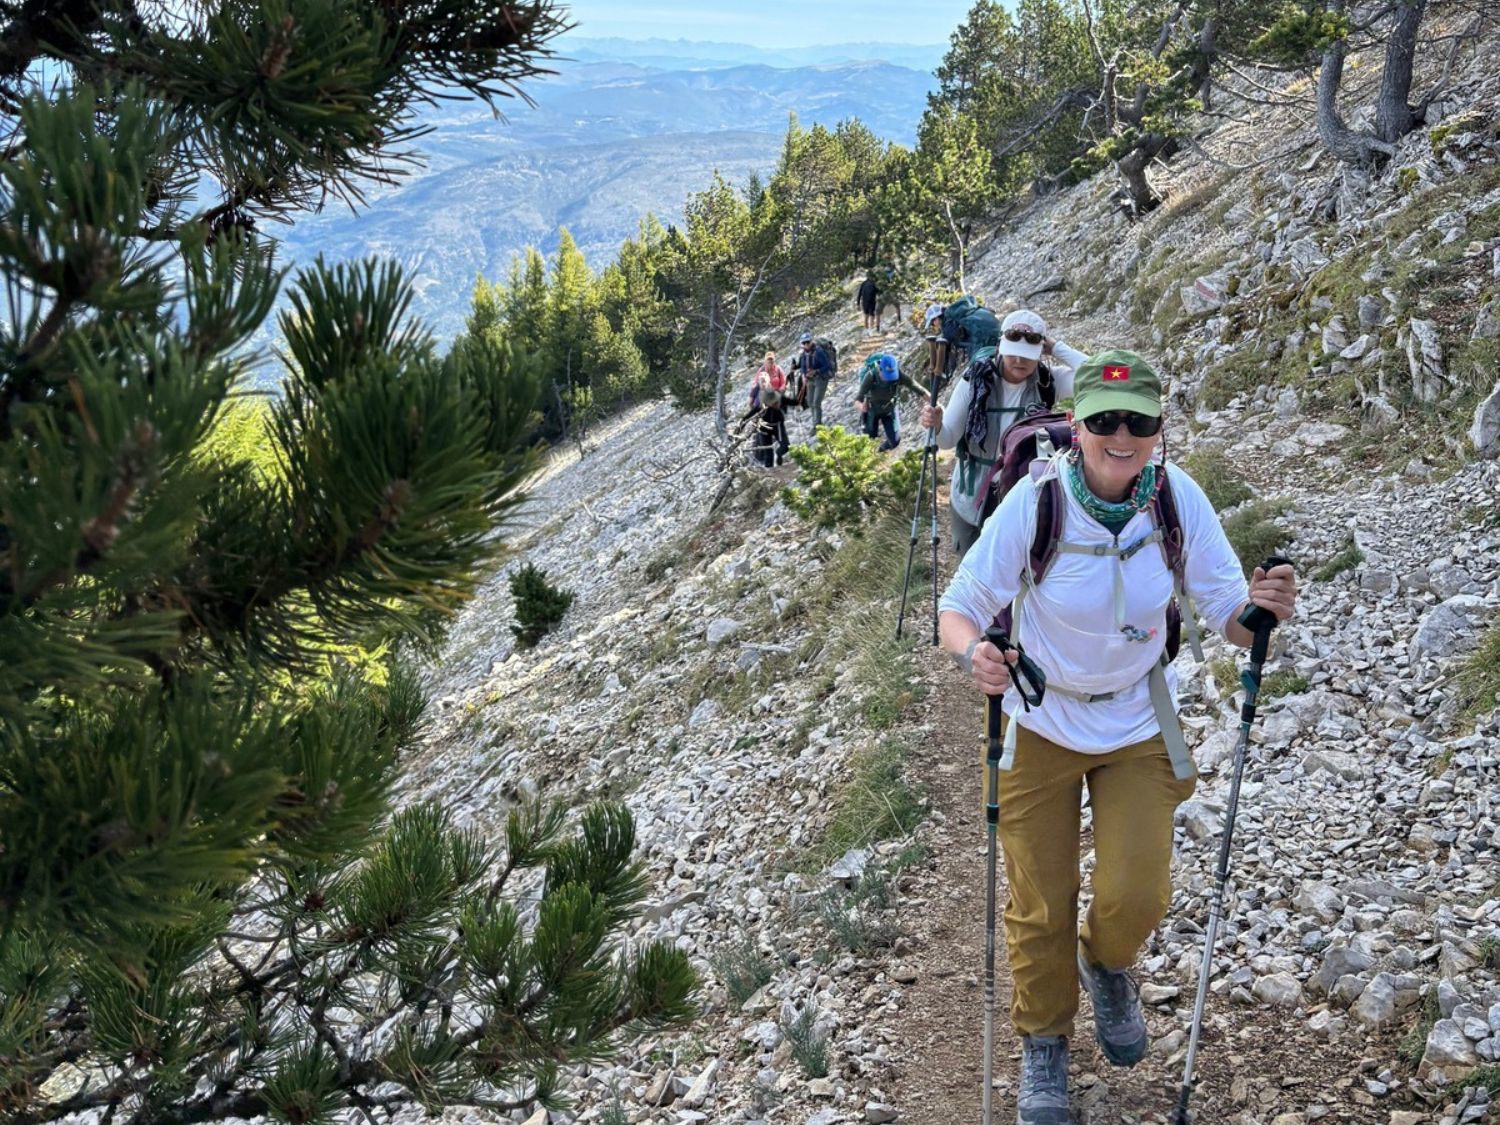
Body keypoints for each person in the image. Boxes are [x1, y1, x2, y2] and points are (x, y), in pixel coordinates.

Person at [936, 349, 1298, 1125]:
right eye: (1105, 420)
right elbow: (958, 607)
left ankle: (1106, 962)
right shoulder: (1034, 504)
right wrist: (976, 655)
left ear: (1159, 430)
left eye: (1140, 421)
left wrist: (1263, 609)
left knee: (1137, 891)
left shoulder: (1176, 500)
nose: (1122, 434)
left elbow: (1231, 616)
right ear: (1077, 426)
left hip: (1136, 716)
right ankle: (1044, 1042)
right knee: (1040, 898)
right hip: (1040, 717)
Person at [920, 309, 1088, 560]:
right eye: (1012, 353)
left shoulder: (1047, 382)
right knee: (973, 570)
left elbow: (1110, 376)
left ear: (1040, 352)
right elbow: (946, 440)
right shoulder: (974, 381)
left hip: (1023, 496)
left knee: (1018, 573)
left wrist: (1057, 348)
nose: (1019, 361)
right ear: (1000, 347)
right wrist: (937, 424)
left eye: (1028, 355)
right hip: (972, 498)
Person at [854, 352, 925, 451]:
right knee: (869, 440)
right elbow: (857, 400)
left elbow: (918, 389)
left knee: (895, 441)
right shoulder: (871, 376)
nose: (889, 379)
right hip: (872, 410)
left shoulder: (898, 375)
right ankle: (871, 458)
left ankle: (880, 451)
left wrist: (936, 403)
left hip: (889, 410)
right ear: (880, 369)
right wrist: (862, 407)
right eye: (886, 375)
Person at [793, 332, 834, 431]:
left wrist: (816, 371)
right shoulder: (803, 355)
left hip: (821, 379)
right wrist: (803, 375)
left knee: (816, 402)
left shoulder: (819, 352)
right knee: (810, 402)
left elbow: (827, 365)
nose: (806, 344)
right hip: (809, 380)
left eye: (808, 342)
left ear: (811, 341)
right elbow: (802, 367)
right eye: (804, 343)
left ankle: (817, 425)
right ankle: (815, 423)